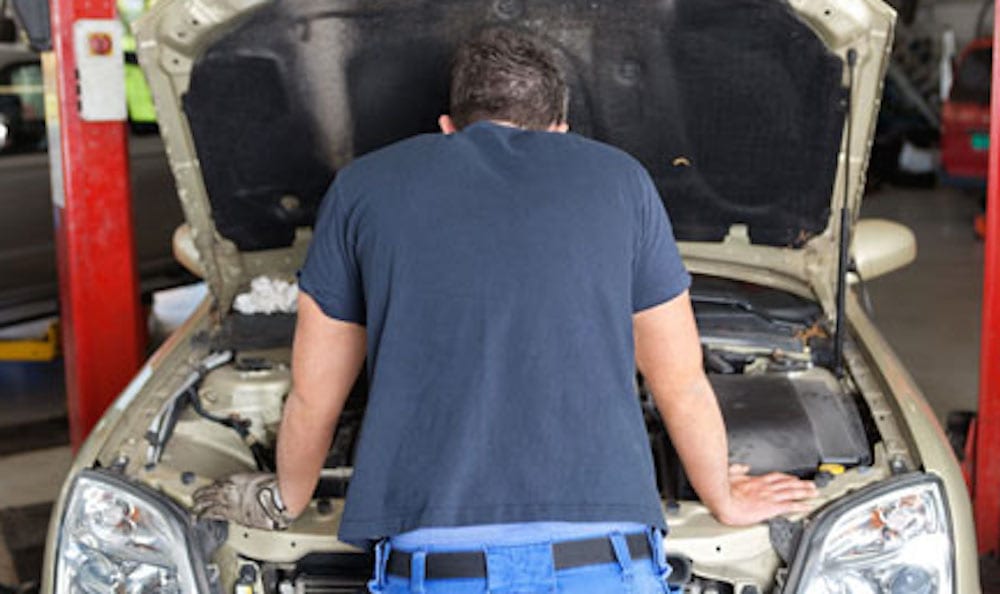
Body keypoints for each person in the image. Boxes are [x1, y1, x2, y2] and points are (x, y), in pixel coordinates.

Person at [194, 27, 817, 594]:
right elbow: (678, 379)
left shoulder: (363, 186)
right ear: (561, 129)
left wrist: (288, 496)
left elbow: (313, 394)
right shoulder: (620, 180)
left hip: (440, 566)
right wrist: (724, 499)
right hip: (602, 561)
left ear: (447, 126)